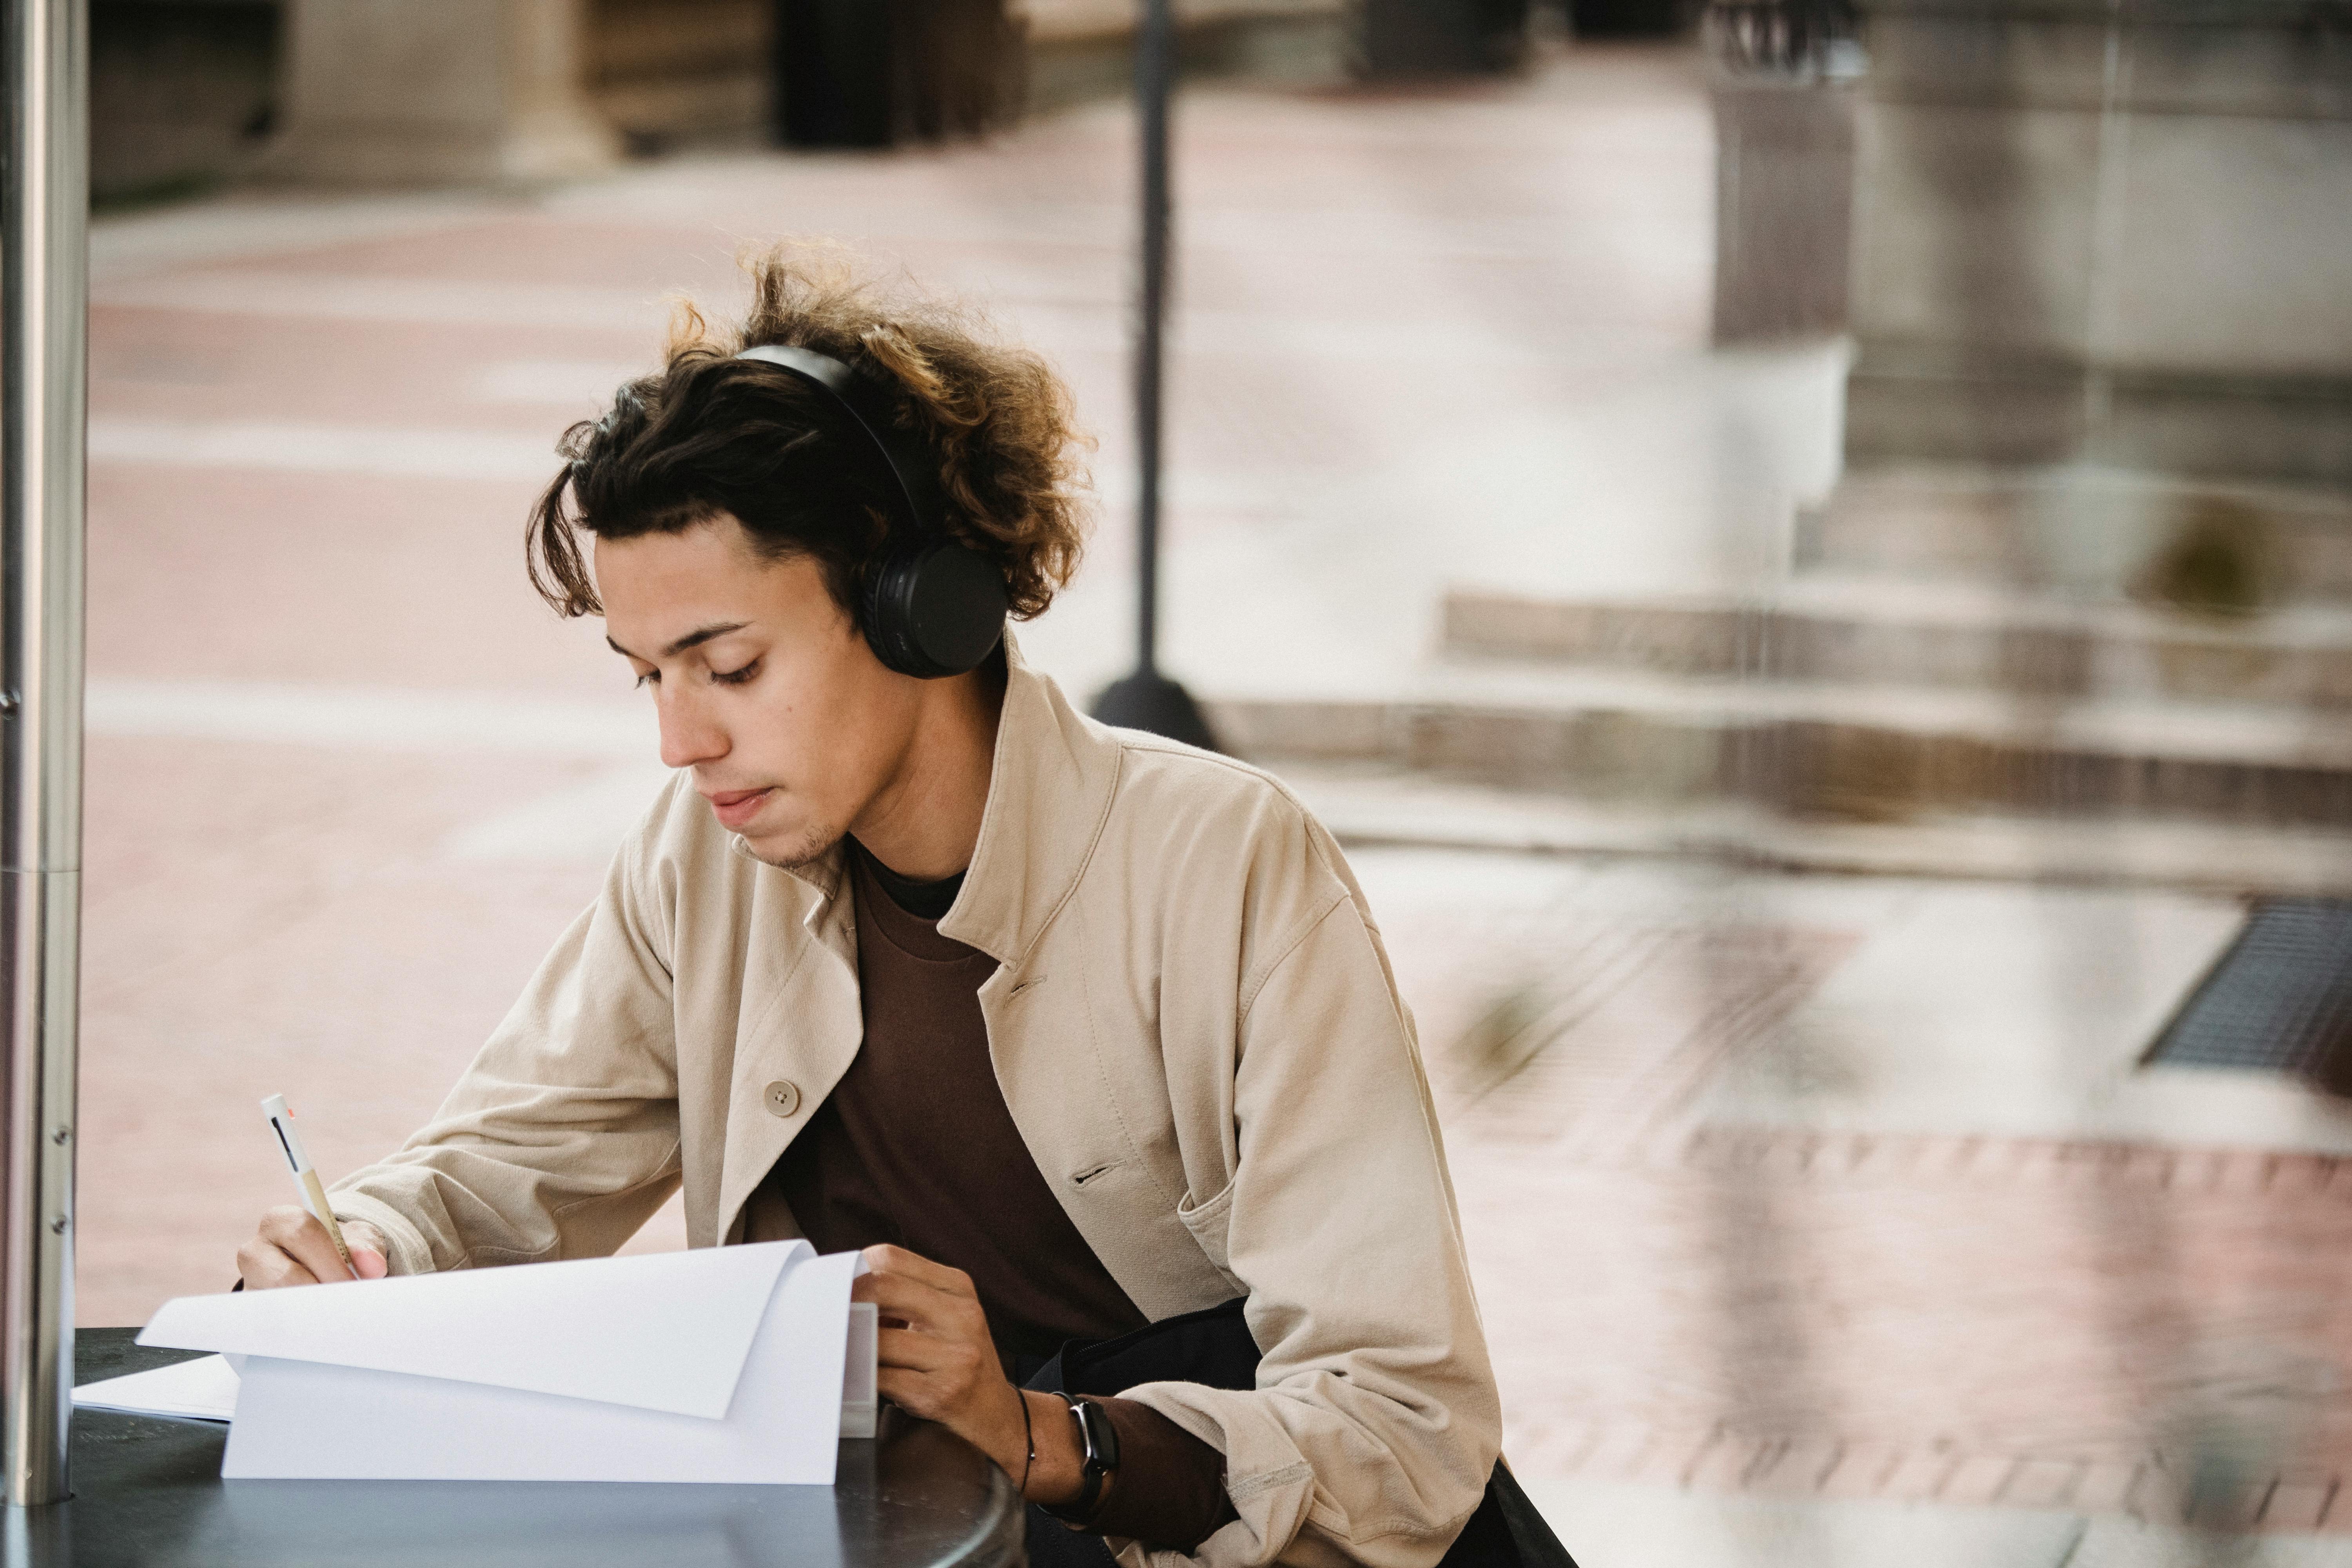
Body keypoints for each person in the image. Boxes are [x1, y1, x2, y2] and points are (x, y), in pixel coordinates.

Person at [234, 247, 1502, 1568]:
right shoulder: (698, 855)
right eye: (645, 677)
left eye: (727, 665)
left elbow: (1404, 1424)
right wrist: (362, 1249)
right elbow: (503, 1172)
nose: (680, 741)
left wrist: (1036, 1432)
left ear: (920, 608)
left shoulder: (1227, 866)